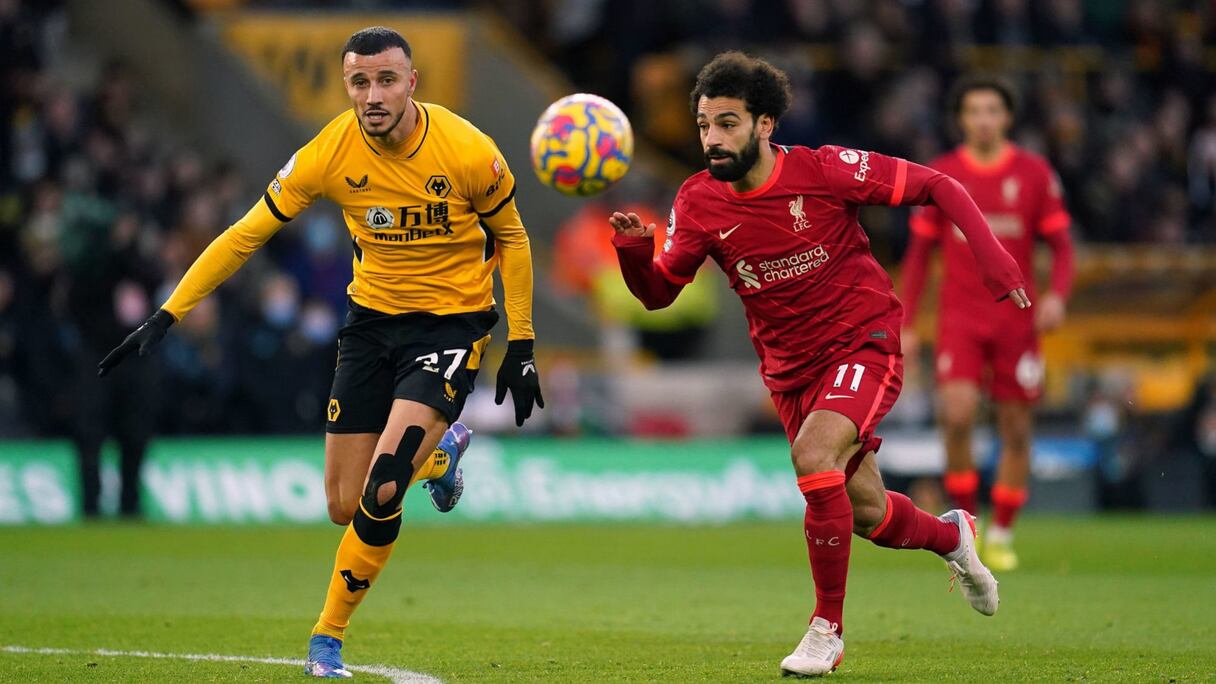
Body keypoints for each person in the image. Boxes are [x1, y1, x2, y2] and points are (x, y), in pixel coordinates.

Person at [97, 27, 543, 679]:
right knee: (344, 503)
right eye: (359, 82)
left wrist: (522, 341)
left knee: (384, 486)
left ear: (412, 83)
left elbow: (515, 237)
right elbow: (246, 233)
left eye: (386, 79)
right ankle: (441, 455)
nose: (372, 94)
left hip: (450, 329)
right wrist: (171, 311)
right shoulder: (328, 154)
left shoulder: (468, 150)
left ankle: (326, 637)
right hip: (369, 328)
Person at [609, 52, 1027, 677]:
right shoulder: (697, 201)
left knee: (813, 458)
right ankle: (953, 538)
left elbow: (939, 185)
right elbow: (659, 293)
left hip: (864, 341)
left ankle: (825, 631)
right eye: (703, 125)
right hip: (791, 371)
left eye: (727, 123)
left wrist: (992, 258)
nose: (712, 139)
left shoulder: (826, 170)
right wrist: (634, 252)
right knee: (868, 514)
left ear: (765, 124)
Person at [899, 76, 1074, 572]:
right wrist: (909, 322)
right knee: (955, 416)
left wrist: (1058, 297)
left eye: (992, 110)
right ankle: (967, 528)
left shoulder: (1035, 174)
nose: (983, 119)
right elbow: (917, 258)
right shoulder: (942, 174)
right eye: (973, 111)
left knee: (1016, 428)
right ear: (961, 119)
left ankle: (1003, 530)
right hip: (960, 318)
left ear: (1007, 117)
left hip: (1017, 320)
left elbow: (1062, 248)